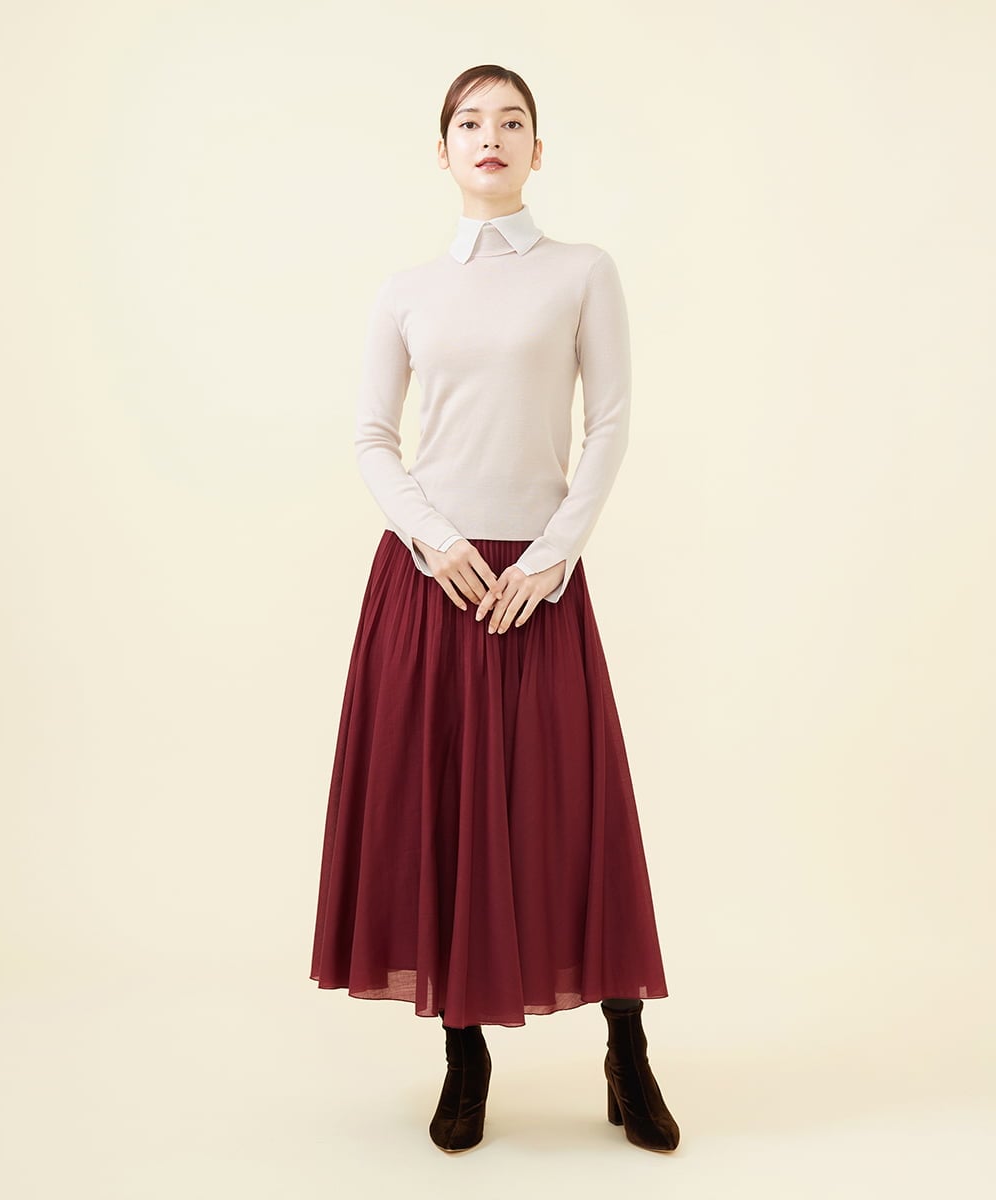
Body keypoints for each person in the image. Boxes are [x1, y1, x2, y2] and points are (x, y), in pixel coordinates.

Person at [309, 64, 680, 1155]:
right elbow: (373, 438)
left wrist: (555, 556)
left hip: (537, 583)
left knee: (578, 812)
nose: (491, 136)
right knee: (445, 816)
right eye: (470, 122)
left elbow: (609, 424)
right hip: (435, 579)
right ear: (443, 151)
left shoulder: (581, 272)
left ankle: (627, 1048)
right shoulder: (407, 290)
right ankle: (463, 1053)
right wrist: (433, 541)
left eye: (512, 121)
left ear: (536, 150)